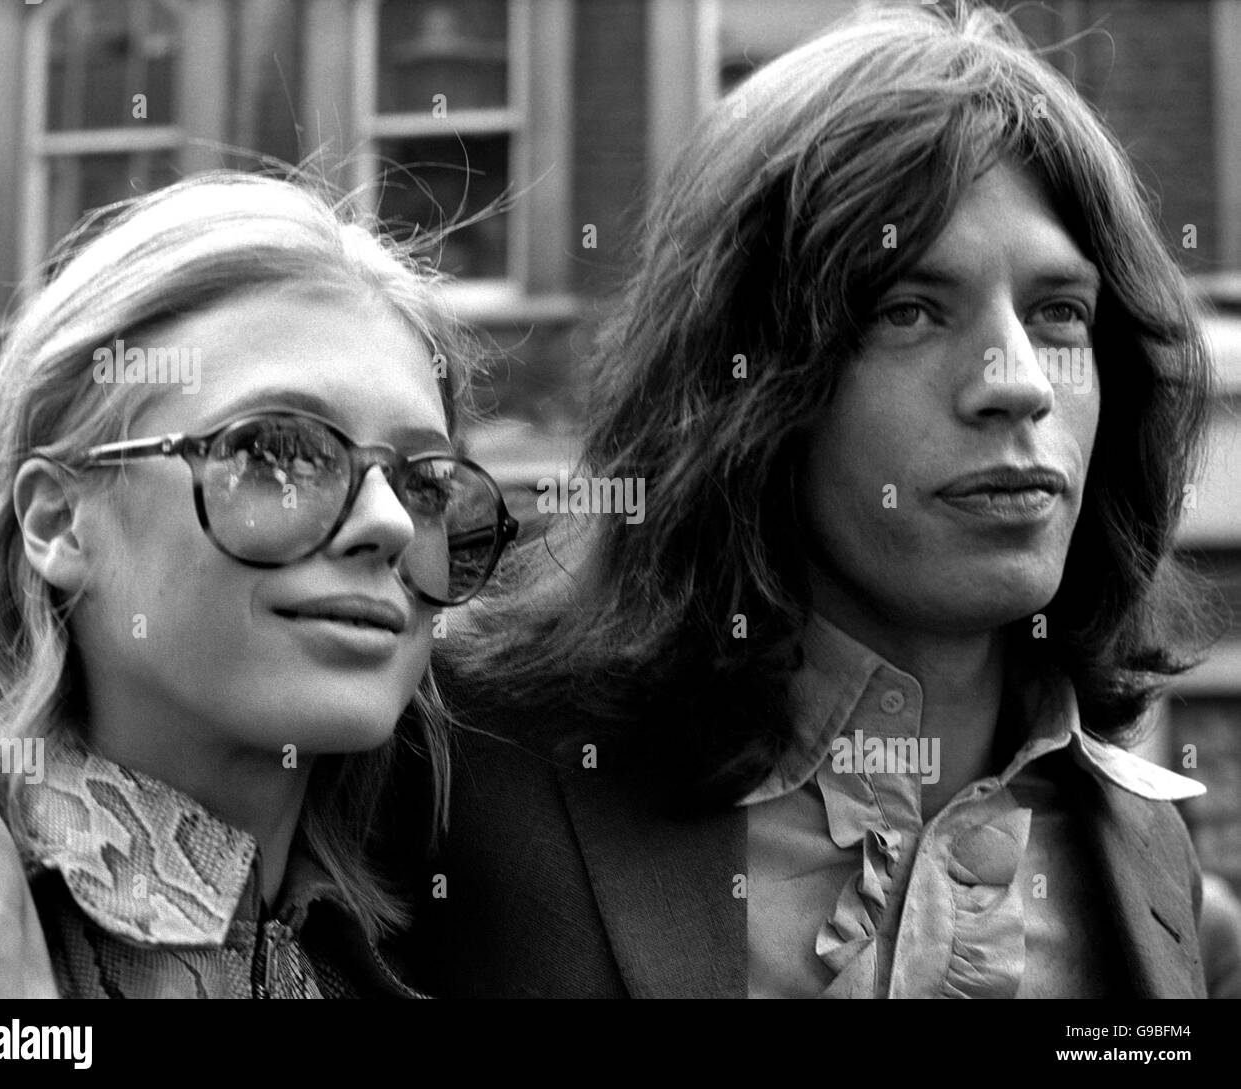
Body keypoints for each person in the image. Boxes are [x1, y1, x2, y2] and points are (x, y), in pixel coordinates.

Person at [402, 1, 1219, 997]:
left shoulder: (1146, 854)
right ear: (744, 383)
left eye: (1058, 313)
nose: (1019, 381)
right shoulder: (469, 775)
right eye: (908, 310)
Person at [0, 171, 516, 998]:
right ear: (58, 524)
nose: (389, 521)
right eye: (279, 451)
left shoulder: (470, 899)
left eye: (424, 480)